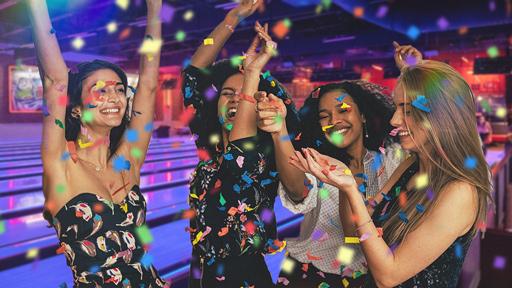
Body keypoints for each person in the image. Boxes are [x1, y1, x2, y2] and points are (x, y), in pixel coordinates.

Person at [292, 44, 492, 287]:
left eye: (406, 110)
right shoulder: (410, 166)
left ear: (440, 116)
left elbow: (388, 275)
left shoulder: (460, 192)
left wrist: (352, 190)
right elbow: (354, 236)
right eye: (398, 108)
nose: (394, 120)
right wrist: (345, 183)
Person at [254, 45, 421, 286]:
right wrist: (279, 131)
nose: (334, 121)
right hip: (311, 275)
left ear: (362, 115)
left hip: (372, 277)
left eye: (343, 109)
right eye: (324, 116)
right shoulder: (318, 163)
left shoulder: (393, 159)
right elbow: (296, 188)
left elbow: (433, 138)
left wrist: (413, 72)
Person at [31, 0, 168, 286]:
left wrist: (155, 11)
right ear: (77, 108)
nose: (115, 97)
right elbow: (56, 82)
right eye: (100, 91)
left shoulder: (128, 158)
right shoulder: (62, 166)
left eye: (119, 90)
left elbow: (149, 85)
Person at [180, 1, 299, 286]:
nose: (236, 98)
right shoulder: (208, 147)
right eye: (226, 93)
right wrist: (232, 18)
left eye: (244, 92)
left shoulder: (266, 152)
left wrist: (253, 75)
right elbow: (193, 72)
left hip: (246, 277)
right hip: (200, 272)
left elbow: (243, 151)